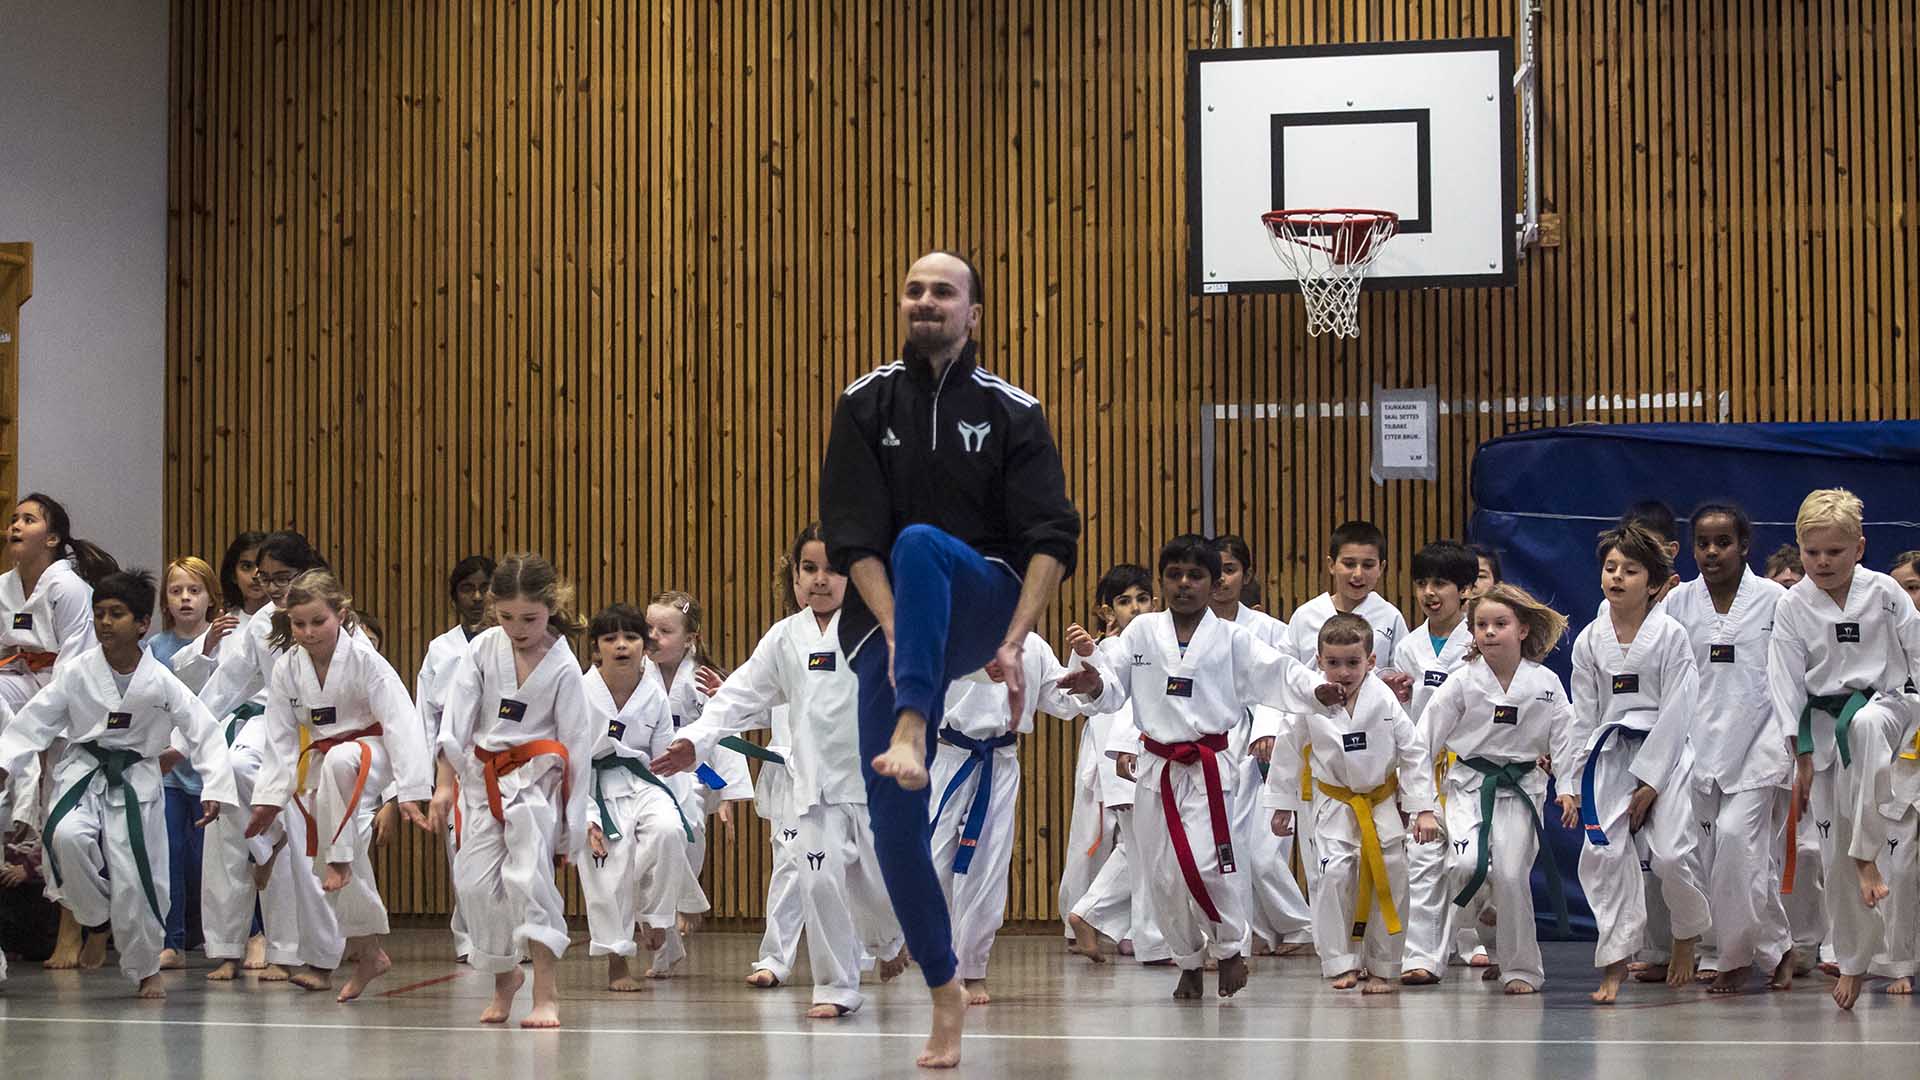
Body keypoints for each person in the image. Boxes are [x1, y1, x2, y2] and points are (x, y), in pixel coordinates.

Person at [819, 249, 1081, 1068]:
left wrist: (1012, 639)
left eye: (944, 292)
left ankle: (910, 725)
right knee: (893, 816)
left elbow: (1052, 537)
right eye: (914, 290)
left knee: (923, 542)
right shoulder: (864, 403)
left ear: (974, 313)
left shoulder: (1012, 410)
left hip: (982, 594)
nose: (925, 301)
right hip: (884, 618)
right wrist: (897, 631)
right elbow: (850, 535)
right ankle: (945, 996)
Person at [656, 525, 909, 1018]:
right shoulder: (785, 637)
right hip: (811, 785)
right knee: (817, 883)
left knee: (875, 890)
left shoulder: (880, 627)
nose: (820, 580)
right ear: (793, 576)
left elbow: (933, 668)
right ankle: (836, 988)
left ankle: (890, 939)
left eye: (833, 569)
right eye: (808, 569)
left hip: (873, 782)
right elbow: (739, 696)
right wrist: (695, 739)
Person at [1070, 536, 1337, 1002]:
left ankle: (1231, 948)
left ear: (1213, 583)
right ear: (1162, 582)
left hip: (1209, 768)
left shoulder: (1233, 639)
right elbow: (1112, 689)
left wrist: (1318, 690)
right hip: (1156, 768)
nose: (1184, 584)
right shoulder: (1140, 633)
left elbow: (1278, 673)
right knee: (1163, 875)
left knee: (1213, 866)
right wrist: (1093, 678)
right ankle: (1190, 961)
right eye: (1174, 575)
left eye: (1195, 576)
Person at [0, 569, 235, 998]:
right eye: (100, 614)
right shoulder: (76, 673)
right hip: (83, 770)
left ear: (143, 624)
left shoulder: (160, 679)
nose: (105, 622)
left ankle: (145, 968)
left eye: (117, 614)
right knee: (64, 836)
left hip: (135, 777)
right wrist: (5, 761)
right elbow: (36, 719)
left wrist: (215, 786)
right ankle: (96, 919)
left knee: (135, 878)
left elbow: (202, 729)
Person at [245, 570, 435, 1003]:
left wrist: (408, 791)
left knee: (340, 763)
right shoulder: (288, 670)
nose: (308, 632)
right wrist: (269, 800)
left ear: (341, 615)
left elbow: (402, 721)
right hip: (325, 764)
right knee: (326, 862)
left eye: (318, 621)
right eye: (299, 624)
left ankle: (340, 859)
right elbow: (277, 738)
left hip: (373, 750)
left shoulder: (366, 660)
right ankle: (368, 950)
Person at [1769, 489, 1920, 1010]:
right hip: (1823, 727)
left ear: (1860, 546)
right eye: (1812, 553)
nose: (1822, 562)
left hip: (1889, 708)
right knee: (1830, 862)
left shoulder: (1884, 593)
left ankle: (1866, 857)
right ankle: (1854, 962)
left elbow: (1918, 653)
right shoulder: (1791, 607)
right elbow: (1784, 683)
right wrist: (1800, 752)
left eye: (1834, 551)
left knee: (1867, 725)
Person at [434, 553, 593, 1027]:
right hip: (482, 783)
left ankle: (546, 994)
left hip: (536, 788)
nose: (518, 628)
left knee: (532, 885)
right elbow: (455, 719)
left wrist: (571, 822)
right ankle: (505, 978)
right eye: (506, 617)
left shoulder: (564, 666)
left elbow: (577, 748)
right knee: (474, 886)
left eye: (530, 618)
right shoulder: (483, 649)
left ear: (552, 607)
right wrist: (444, 785)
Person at [1563, 524, 1708, 1003]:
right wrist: (1569, 781)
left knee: (1668, 854)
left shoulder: (1670, 635)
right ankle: (1616, 959)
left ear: (1654, 583)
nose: (1617, 577)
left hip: (1664, 755)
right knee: (1602, 856)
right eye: (1610, 568)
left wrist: (1652, 781)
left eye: (1630, 570)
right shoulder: (1589, 640)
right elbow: (1582, 716)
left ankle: (1686, 935)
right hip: (1609, 754)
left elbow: (1679, 710)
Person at [1266, 613, 1440, 994]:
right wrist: (1281, 804)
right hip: (1333, 804)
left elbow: (1412, 753)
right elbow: (1288, 749)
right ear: (1318, 658)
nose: (1342, 672)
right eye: (1333, 663)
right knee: (1332, 876)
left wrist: (1423, 808)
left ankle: (1384, 966)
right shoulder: (1310, 699)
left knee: (1391, 877)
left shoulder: (1385, 701)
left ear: (1372, 661)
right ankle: (1339, 962)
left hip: (1380, 802)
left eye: (1352, 662)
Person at [1662, 503, 1795, 993]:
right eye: (1703, 543)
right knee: (1724, 857)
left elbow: (1789, 674)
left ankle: (1734, 959)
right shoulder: (1677, 605)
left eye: (1723, 542)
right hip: (1698, 744)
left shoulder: (1775, 602)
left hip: (1761, 740)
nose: (1712, 552)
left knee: (1740, 844)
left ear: (1744, 546)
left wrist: (1792, 740)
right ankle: (1778, 947)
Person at [1426, 584, 1575, 995]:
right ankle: (1433, 953)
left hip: (1523, 789)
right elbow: (1424, 741)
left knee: (1511, 875)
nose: (1489, 632)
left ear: (1523, 629)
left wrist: (1568, 788)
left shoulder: (1545, 683)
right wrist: (1419, 801)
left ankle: (1521, 968)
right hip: (1469, 786)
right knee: (1464, 866)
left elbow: (1565, 739)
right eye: (1481, 625)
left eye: (1500, 624)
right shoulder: (1461, 683)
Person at [577, 603, 707, 991]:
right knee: (609, 870)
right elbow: (571, 761)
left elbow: (666, 758)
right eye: (610, 638)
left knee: (669, 832)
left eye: (631, 637)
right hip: (593, 788)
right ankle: (617, 961)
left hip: (646, 782)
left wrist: (683, 809)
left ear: (644, 647)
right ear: (595, 649)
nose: (621, 645)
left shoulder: (652, 694)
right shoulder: (579, 693)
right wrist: (583, 816)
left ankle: (656, 917)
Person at [1210, 536, 1313, 958]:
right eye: (1213, 571)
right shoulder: (1186, 627)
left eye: (1230, 569)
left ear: (1247, 575)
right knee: (1221, 850)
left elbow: (1284, 683)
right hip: (1210, 745)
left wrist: (1268, 730)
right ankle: (1243, 932)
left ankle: (1297, 926)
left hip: (1263, 746)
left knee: (1262, 853)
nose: (1221, 579)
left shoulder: (1271, 630)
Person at [1391, 540, 1479, 984]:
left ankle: (1481, 939)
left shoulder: (1479, 640)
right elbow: (1404, 722)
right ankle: (1421, 958)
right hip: (1423, 767)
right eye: (1422, 582)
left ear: (1465, 589)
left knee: (1473, 865)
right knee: (1423, 861)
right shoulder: (1408, 647)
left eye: (1440, 583)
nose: (1429, 592)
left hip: (1472, 770)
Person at [1064, 564, 1162, 963]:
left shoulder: (1157, 642)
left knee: (1139, 847)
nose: (1135, 608)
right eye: (1124, 601)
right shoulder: (1109, 648)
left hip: (1143, 751)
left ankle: (1117, 923)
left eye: (1141, 599)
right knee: (1132, 846)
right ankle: (1097, 917)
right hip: (1118, 753)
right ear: (1107, 611)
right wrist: (1088, 651)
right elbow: (1081, 696)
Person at [414, 553, 496, 961]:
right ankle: (468, 937)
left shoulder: (512, 643)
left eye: (485, 588)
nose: (478, 597)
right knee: (461, 849)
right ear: (455, 597)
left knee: (511, 853)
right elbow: (426, 715)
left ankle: (512, 937)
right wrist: (427, 776)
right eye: (468, 589)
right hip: (457, 762)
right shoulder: (440, 649)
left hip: (504, 759)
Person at [146, 556, 223, 968]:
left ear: (212, 598)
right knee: (170, 856)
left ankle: (238, 936)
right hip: (170, 769)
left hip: (211, 764)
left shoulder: (227, 641)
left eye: (194, 590)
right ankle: (171, 940)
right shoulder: (155, 648)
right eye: (176, 591)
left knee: (212, 859)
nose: (186, 599)